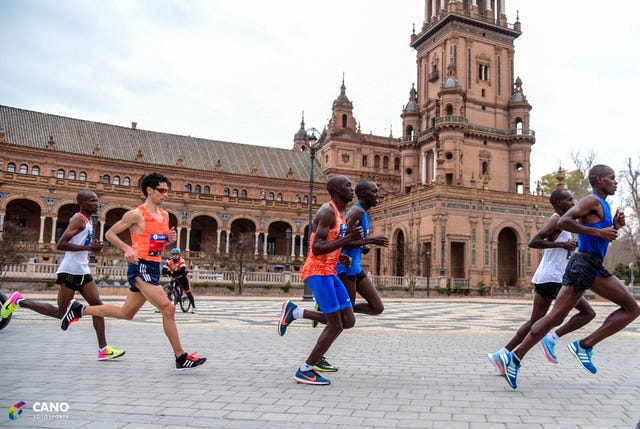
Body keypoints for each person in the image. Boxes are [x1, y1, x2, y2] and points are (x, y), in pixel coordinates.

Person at [499, 165, 640, 389]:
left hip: (586, 264)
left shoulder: (602, 204)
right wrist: (599, 232)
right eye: (612, 178)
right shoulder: (591, 200)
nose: (615, 182)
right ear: (600, 180)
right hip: (586, 264)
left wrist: (614, 226)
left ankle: (513, 358)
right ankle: (583, 345)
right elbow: (564, 221)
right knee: (632, 308)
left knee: (555, 318)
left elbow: (600, 236)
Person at [60, 172, 207, 370]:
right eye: (162, 190)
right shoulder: (136, 214)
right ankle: (180, 356)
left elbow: (158, 243)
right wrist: (127, 248)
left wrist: (168, 239)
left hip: (154, 265)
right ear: (149, 191)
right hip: (140, 266)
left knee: (126, 313)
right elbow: (110, 234)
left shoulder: (164, 215)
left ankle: (79, 310)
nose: (165, 194)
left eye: (167, 191)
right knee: (168, 308)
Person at [1, 190, 125, 361]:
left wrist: (92, 245)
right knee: (60, 312)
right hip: (70, 271)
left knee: (98, 307)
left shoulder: (88, 221)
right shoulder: (78, 219)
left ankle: (103, 349)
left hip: (82, 269)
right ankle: (19, 301)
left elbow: (79, 242)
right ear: (82, 203)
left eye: (97, 201)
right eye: (93, 201)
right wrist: (89, 249)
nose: (97, 204)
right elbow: (61, 244)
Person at [487, 189, 595, 375]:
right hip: (555, 279)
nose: (573, 201)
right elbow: (534, 241)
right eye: (569, 199)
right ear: (560, 203)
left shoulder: (564, 222)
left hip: (546, 278)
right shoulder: (556, 220)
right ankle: (551, 338)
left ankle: (502, 354)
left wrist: (566, 245)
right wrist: (561, 245)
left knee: (535, 322)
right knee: (587, 313)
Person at [277, 175, 364, 385]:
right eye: (347, 186)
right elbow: (316, 247)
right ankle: (305, 370)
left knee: (348, 320)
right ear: (335, 190)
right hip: (318, 272)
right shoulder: (327, 211)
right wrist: (348, 239)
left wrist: (341, 254)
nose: (352, 190)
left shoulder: (341, 215)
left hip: (330, 271)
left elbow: (331, 242)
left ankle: (295, 312)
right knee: (335, 325)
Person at [303, 180, 389, 373]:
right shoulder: (355, 211)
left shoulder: (360, 213)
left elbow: (348, 239)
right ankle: (316, 359)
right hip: (344, 269)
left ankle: (326, 312)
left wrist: (362, 245)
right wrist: (370, 240)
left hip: (354, 267)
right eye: (374, 191)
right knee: (341, 322)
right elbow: (342, 241)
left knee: (376, 308)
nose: (378, 195)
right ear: (364, 194)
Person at [164, 247, 197, 313]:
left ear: (179, 255)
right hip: (175, 277)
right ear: (171, 255)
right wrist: (169, 272)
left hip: (183, 277)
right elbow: (164, 270)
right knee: (171, 286)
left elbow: (182, 270)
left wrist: (172, 272)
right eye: (173, 254)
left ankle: (194, 307)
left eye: (177, 254)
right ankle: (172, 298)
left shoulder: (181, 260)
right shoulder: (168, 261)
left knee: (188, 291)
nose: (175, 256)